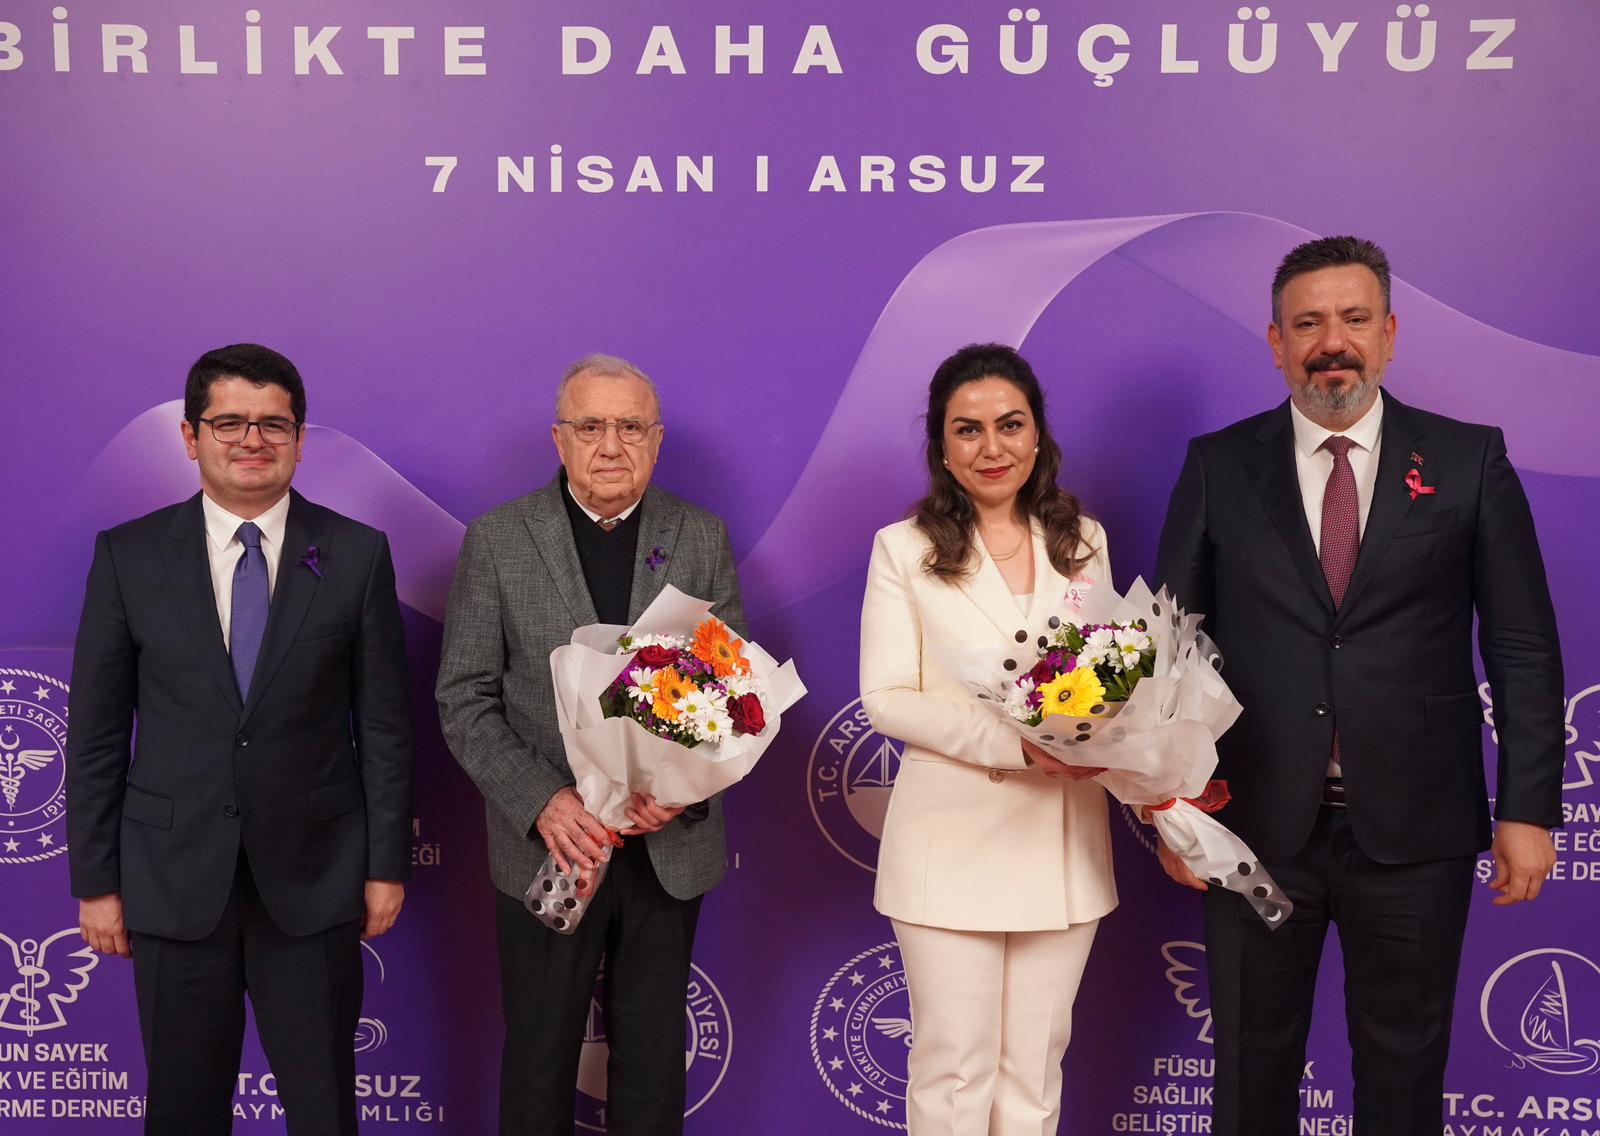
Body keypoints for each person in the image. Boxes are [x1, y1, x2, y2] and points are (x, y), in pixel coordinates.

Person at [1154, 236, 1564, 1136]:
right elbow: (1171, 651)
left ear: (1389, 334)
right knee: (1249, 1076)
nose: (1331, 342)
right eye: (1308, 324)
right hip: (1254, 830)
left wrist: (1528, 808)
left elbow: (1523, 646)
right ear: (1276, 343)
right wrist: (1173, 808)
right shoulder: (1219, 465)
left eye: (1353, 319)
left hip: (1417, 830)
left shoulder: (1468, 460)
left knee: (1404, 1076)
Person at [66, 343, 415, 1135]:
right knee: (183, 1113)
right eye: (229, 423)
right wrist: (97, 882)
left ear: (299, 438)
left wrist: (384, 866)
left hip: (317, 881)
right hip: (173, 883)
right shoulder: (128, 556)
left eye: (272, 424)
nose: (252, 440)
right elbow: (95, 735)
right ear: (191, 437)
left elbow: (386, 728)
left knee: (325, 1112)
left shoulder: (357, 554)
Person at [436, 353, 744, 1136]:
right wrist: (543, 801)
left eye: (630, 427)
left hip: (665, 847)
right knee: (539, 1059)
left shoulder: (700, 536)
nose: (611, 445)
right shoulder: (499, 540)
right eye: (591, 426)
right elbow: (463, 698)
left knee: (652, 1061)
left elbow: (732, 692)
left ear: (657, 439)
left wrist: (679, 787)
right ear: (560, 438)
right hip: (550, 847)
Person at [858, 343, 1117, 1135]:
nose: (991, 447)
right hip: (951, 844)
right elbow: (887, 699)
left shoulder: (1085, 540)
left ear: (1038, 435)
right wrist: (1018, 746)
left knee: (1034, 1073)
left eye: (1010, 424)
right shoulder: (904, 548)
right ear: (942, 446)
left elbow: (1108, 676)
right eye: (967, 430)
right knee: (954, 1071)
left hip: (1062, 843)